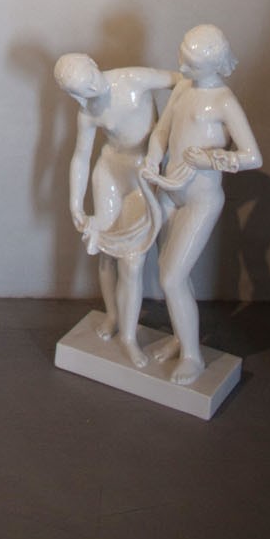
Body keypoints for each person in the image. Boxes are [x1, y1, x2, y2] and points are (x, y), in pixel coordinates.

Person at [140, 25, 262, 384]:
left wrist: (209, 160)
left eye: (190, 63)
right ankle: (181, 338)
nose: (181, 66)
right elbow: (162, 131)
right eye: (182, 56)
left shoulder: (224, 102)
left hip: (200, 200)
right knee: (170, 271)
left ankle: (192, 356)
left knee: (171, 276)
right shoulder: (183, 87)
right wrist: (153, 158)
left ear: (213, 65)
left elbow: (252, 156)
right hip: (170, 191)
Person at [54, 53, 178, 367]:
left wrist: (169, 135)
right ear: (74, 94)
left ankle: (129, 337)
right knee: (106, 250)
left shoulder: (134, 78)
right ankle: (112, 315)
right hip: (110, 172)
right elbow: (81, 156)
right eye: (83, 90)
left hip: (142, 175)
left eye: (92, 80)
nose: (93, 89)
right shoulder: (87, 111)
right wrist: (75, 201)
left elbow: (182, 83)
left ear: (93, 64)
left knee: (132, 262)